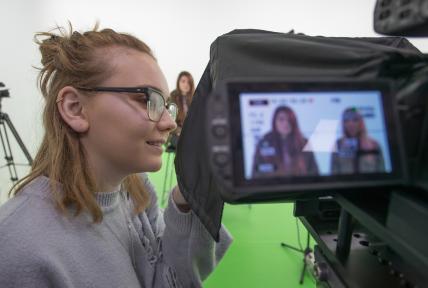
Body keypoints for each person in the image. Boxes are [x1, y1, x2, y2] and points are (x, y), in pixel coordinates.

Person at [0, 25, 232, 288]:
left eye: (166, 105)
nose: (169, 122)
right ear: (74, 108)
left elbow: (165, 280)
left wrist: (187, 199)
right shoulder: (16, 249)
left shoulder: (135, 189)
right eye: (147, 100)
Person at [252, 106, 319, 178]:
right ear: (274, 121)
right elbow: (256, 173)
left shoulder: (303, 143)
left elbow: (314, 173)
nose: (286, 123)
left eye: (289, 120)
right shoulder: (264, 143)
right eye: (281, 119)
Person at [331, 107, 385, 174]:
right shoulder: (338, 145)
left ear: (361, 122)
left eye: (355, 120)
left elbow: (382, 172)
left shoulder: (374, 145)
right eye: (346, 121)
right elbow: (334, 174)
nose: (351, 124)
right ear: (343, 124)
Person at [167, 71, 194, 148]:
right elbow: (170, 122)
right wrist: (181, 131)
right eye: (183, 81)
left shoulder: (194, 98)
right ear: (178, 82)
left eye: (189, 82)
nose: (186, 84)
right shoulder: (172, 98)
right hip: (174, 134)